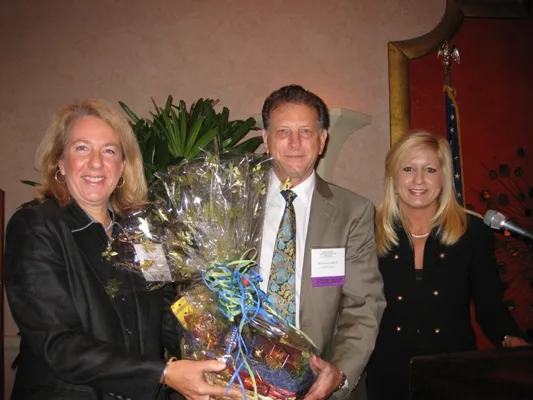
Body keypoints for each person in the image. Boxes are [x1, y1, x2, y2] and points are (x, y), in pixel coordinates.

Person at [4, 99, 241, 400]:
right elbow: (57, 343)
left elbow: (168, 316)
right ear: (60, 163)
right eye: (81, 148)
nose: (96, 163)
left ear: (123, 167)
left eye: (109, 151)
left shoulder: (144, 236)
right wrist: (161, 373)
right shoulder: (36, 226)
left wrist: (221, 338)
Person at [365, 130, 529, 400]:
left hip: (453, 372)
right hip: (387, 373)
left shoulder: (472, 231)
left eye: (430, 169)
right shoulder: (367, 230)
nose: (419, 179)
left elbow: (489, 305)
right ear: (393, 177)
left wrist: (509, 338)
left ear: (443, 177)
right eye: (408, 169)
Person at [259, 85, 386, 400]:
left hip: (315, 384)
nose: (295, 143)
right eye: (283, 131)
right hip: (238, 382)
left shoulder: (352, 212)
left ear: (322, 139)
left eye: (305, 131)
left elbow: (363, 306)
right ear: (265, 138)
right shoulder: (232, 204)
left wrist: (339, 372)